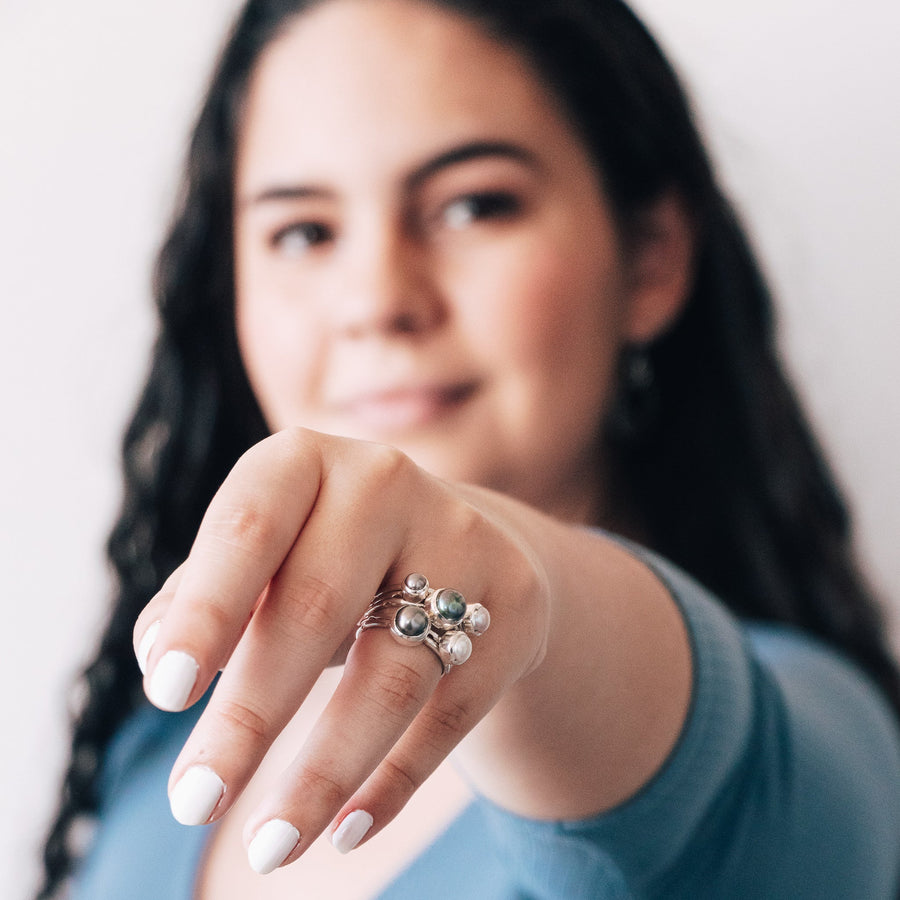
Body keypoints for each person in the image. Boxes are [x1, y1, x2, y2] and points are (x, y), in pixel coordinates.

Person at [36, 0, 900, 897]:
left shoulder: (809, 767)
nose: (377, 297)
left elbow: (636, 702)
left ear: (650, 258)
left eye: (473, 206)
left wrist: (530, 593)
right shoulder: (169, 724)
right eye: (304, 232)